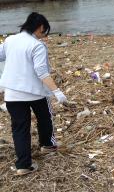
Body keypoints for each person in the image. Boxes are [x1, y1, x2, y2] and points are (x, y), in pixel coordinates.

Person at [0, 12, 67, 176]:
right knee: (45, 118)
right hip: (35, 93)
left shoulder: (9, 40)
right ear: (40, 27)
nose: (44, 36)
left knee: (20, 128)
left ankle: (23, 165)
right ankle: (47, 145)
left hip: (13, 94)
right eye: (44, 32)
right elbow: (42, 72)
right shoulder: (37, 45)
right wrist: (57, 92)